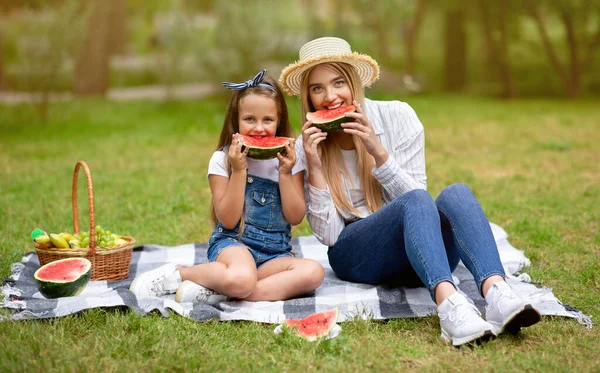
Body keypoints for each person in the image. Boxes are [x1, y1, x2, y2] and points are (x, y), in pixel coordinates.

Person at [279, 37, 541, 346]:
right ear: (307, 97)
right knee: (414, 200)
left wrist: (379, 154)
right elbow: (330, 238)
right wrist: (315, 165)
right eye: (317, 88)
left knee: (455, 193)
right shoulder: (305, 146)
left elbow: (423, 205)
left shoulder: (399, 117)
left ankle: (496, 293)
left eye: (338, 82)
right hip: (356, 255)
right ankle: (448, 305)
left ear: (354, 82)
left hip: (419, 251)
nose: (330, 96)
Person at [130, 70, 324, 303]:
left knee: (313, 272)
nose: (259, 128)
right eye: (250, 119)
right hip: (234, 245)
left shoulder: (290, 159)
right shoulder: (222, 160)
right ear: (236, 120)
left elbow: (295, 217)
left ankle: (222, 292)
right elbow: (228, 220)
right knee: (242, 278)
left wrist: (284, 172)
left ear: (279, 121)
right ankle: (179, 274)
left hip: (275, 254)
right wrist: (239, 170)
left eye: (268, 120)